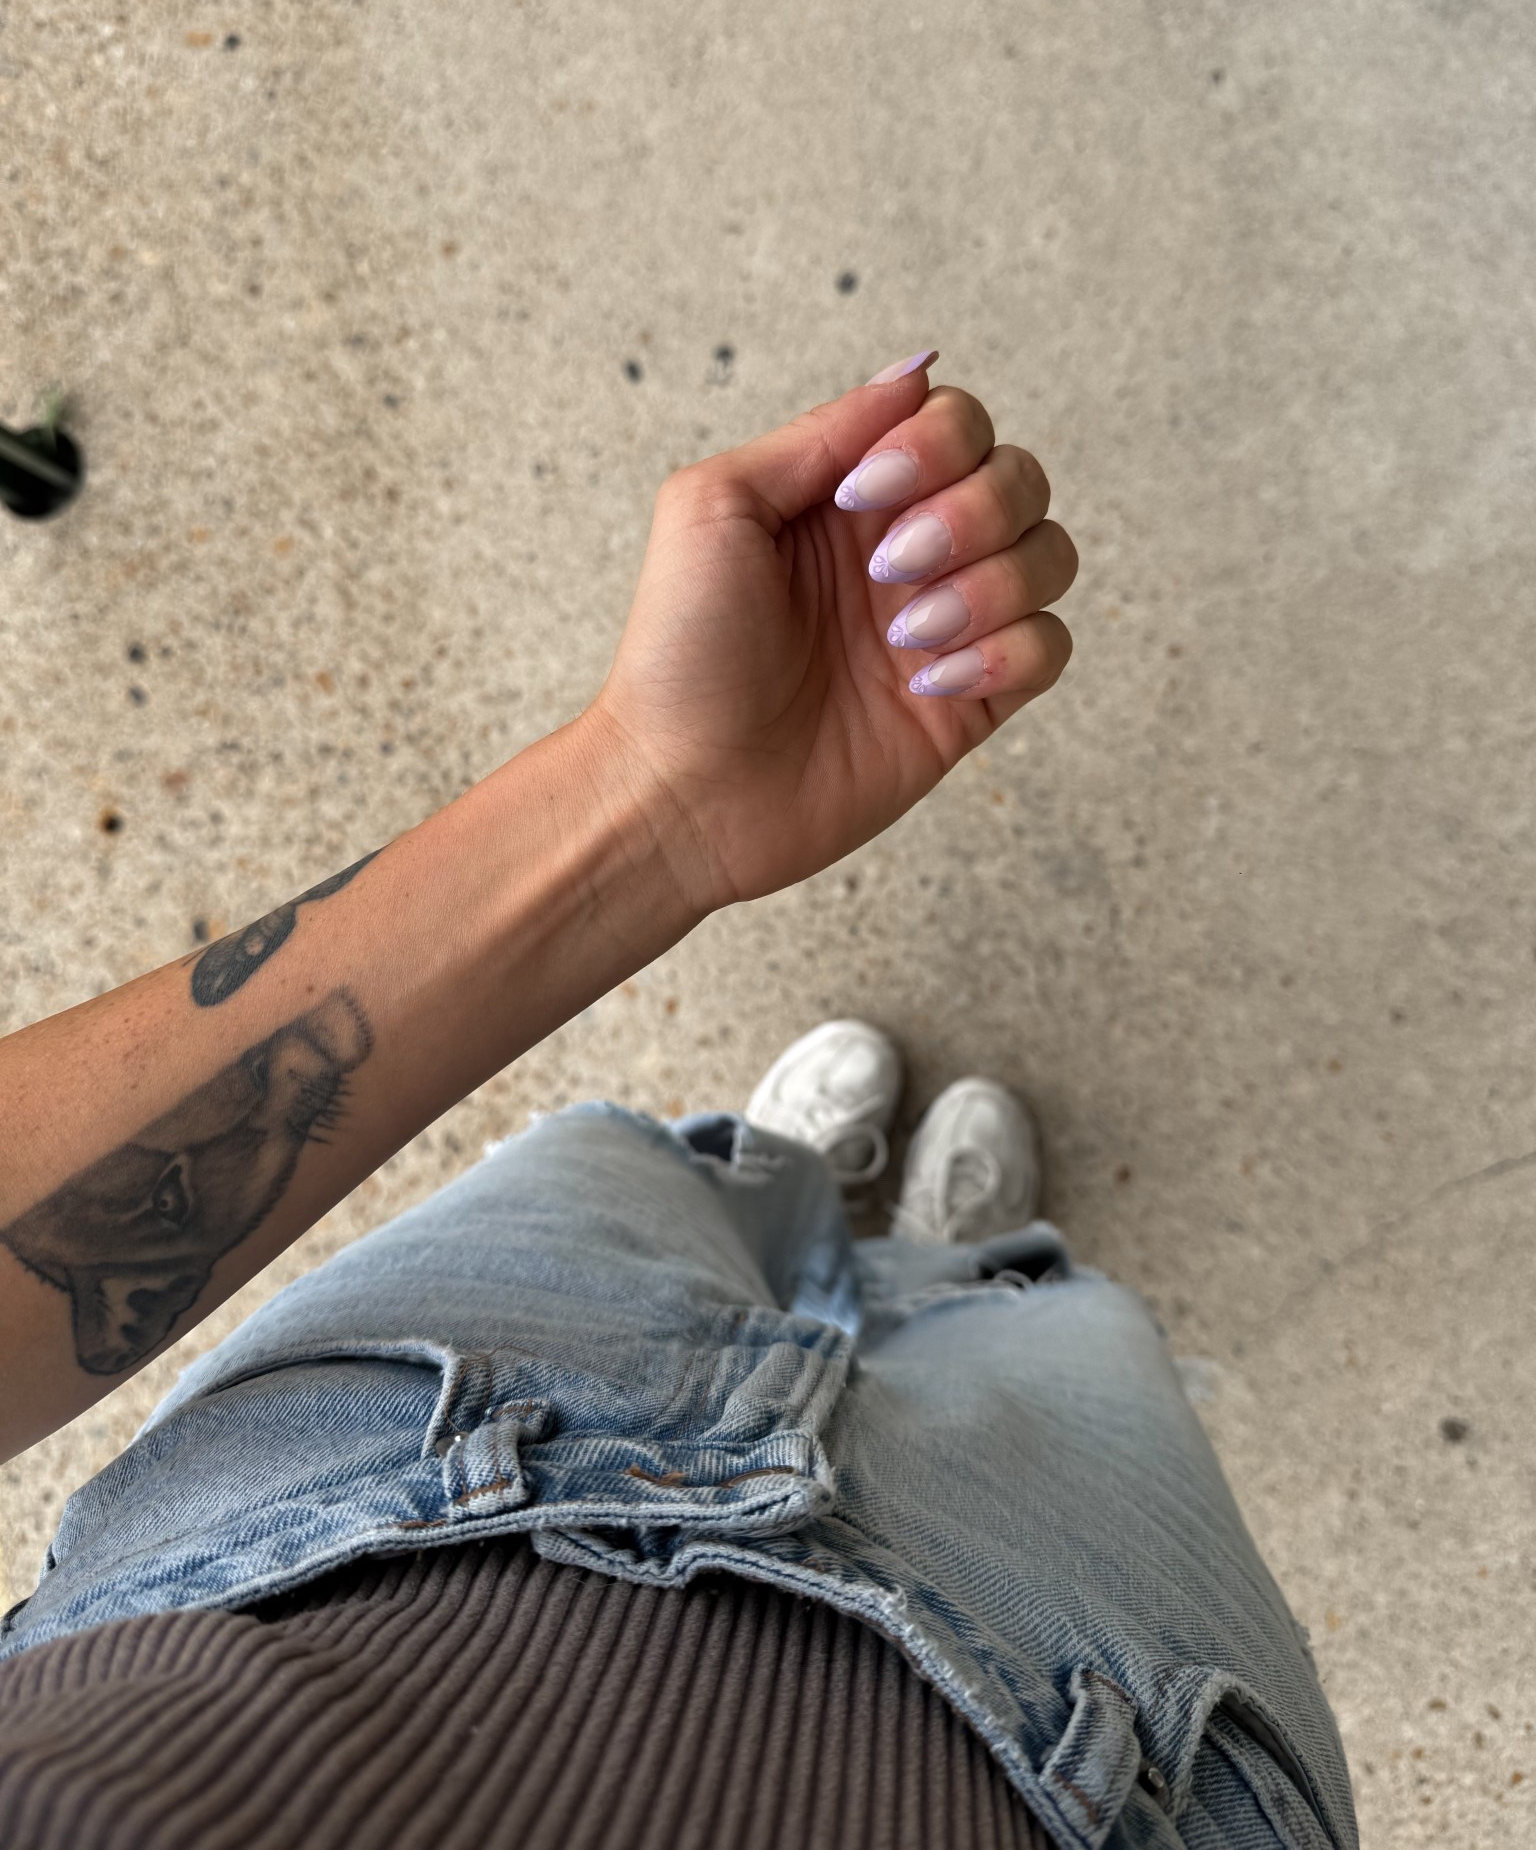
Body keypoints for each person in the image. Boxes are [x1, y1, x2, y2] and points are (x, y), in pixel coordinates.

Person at [0, 357, 1355, 1849]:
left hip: (368, 1465)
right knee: (1059, 1334)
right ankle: (948, 1271)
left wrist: (647, 801)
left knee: (662, 1176)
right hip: (1089, 1751)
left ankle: (798, 1206)